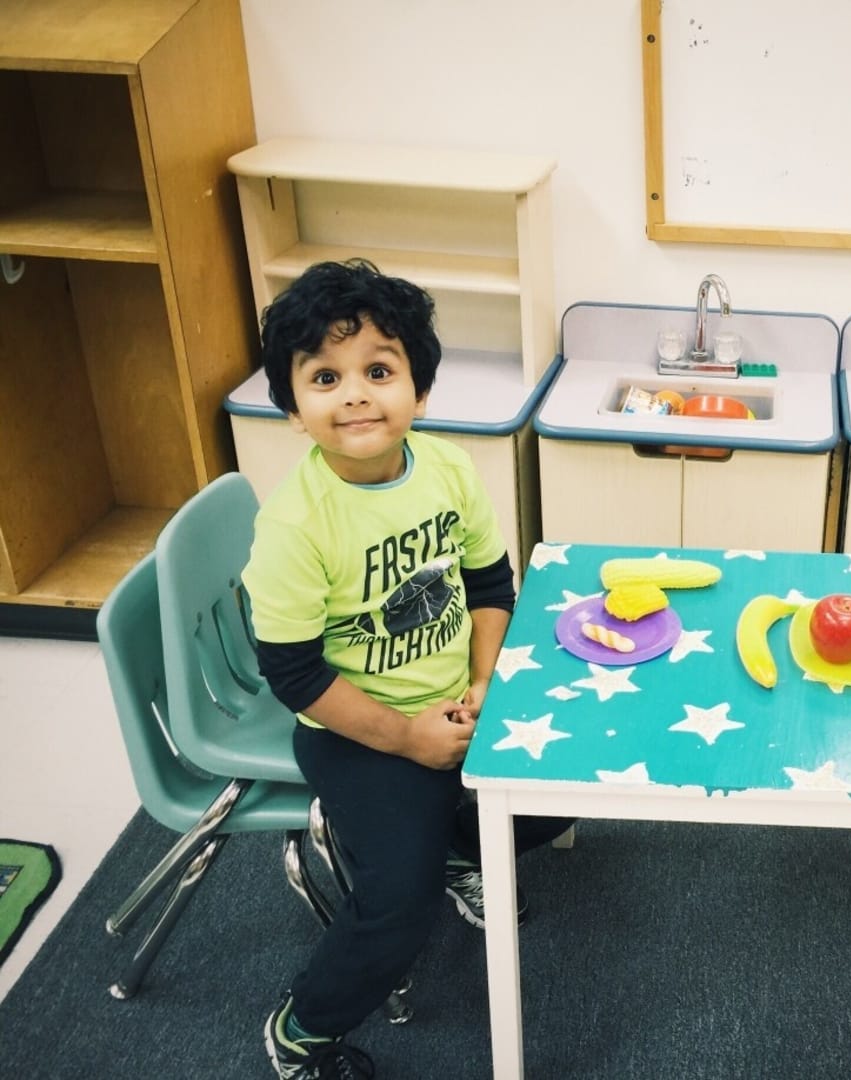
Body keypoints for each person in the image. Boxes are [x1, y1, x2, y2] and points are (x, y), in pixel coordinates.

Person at [242, 259, 571, 1079]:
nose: (354, 393)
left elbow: (493, 585)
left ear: (418, 392)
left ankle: (465, 851)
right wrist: (408, 739)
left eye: (378, 371)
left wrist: (485, 682)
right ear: (293, 409)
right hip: (355, 727)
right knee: (399, 902)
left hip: (457, 695)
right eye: (325, 376)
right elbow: (294, 675)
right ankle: (301, 1030)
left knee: (562, 791)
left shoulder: (451, 470)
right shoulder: (295, 525)